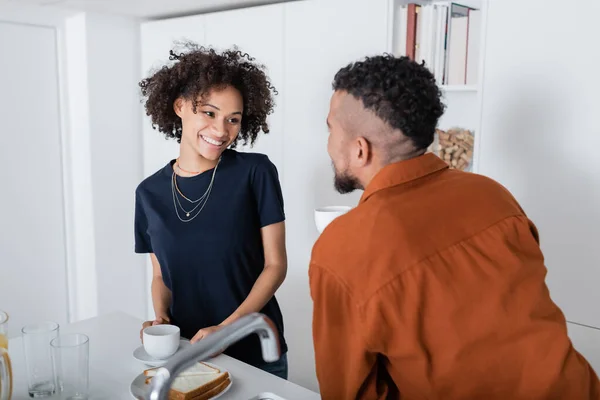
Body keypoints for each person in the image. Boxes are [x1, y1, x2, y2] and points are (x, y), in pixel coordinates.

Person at [309, 54, 600, 399]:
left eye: (330, 129)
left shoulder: (340, 249)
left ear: (360, 150)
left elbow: (349, 393)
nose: (327, 143)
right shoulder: (492, 194)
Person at [135, 42, 288, 379]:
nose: (221, 131)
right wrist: (161, 318)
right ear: (180, 106)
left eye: (233, 120)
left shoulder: (255, 173)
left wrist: (226, 330)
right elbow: (161, 276)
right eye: (209, 113)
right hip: (189, 353)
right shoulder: (148, 193)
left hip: (255, 351)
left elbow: (275, 266)